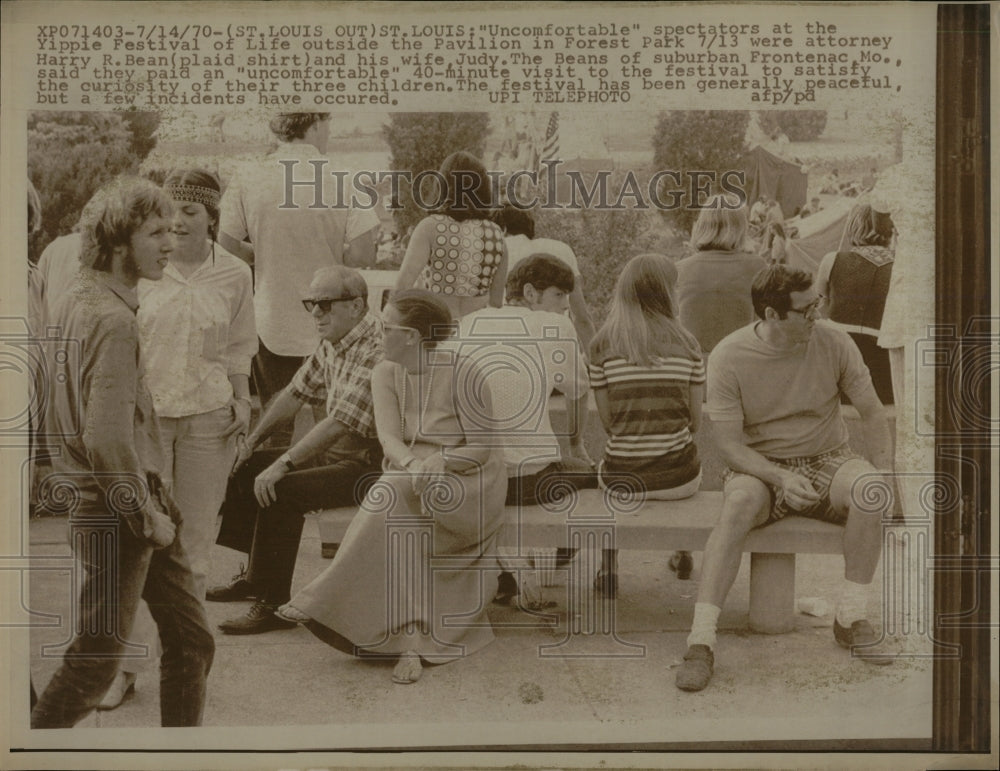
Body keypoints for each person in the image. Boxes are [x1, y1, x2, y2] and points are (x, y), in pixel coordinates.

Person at [31, 176, 214, 727]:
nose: (171, 242)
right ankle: (35, 752)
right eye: (155, 231)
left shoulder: (73, 297)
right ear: (116, 241)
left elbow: (47, 399)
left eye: (174, 229)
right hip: (121, 508)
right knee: (94, 663)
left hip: (128, 497)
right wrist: (145, 516)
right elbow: (107, 439)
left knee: (192, 640)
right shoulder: (112, 321)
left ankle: (181, 759)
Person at [675, 265, 893, 693]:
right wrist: (777, 475)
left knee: (872, 491)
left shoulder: (833, 341)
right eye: (807, 309)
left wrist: (884, 470)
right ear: (772, 315)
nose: (819, 314)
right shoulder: (729, 355)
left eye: (818, 303)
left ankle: (850, 617)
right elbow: (729, 445)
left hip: (829, 457)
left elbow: (871, 410)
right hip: (759, 463)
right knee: (736, 506)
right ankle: (701, 640)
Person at [278, 290, 507, 685]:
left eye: (386, 328)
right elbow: (389, 439)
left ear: (413, 337)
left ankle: (324, 596)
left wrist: (442, 461)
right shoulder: (384, 372)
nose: (379, 334)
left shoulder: (465, 371)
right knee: (395, 494)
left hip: (470, 479)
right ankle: (410, 641)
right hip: (412, 471)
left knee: (392, 493)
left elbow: (483, 448)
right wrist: (416, 463)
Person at [94, 170, 259, 709]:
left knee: (193, 553)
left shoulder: (234, 273)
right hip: (148, 423)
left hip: (209, 421)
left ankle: (184, 665)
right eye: (170, 214)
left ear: (212, 216)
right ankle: (123, 670)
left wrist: (240, 397)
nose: (179, 223)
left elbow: (239, 345)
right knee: (140, 547)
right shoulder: (145, 269)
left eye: (190, 211)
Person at [210, 265, 383, 635]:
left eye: (325, 304)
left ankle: (272, 605)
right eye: (311, 304)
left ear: (356, 305)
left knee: (281, 489)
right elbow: (293, 394)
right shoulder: (337, 339)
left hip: (372, 466)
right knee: (248, 467)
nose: (316, 313)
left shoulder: (376, 348)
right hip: (338, 454)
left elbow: (340, 422)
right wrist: (251, 442)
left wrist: (285, 462)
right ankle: (257, 577)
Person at [219, 112, 379, 432]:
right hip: (334, 321)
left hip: (271, 318)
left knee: (275, 423)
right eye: (328, 126)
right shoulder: (344, 176)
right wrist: (332, 256)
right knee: (330, 425)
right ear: (316, 125)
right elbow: (364, 253)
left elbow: (226, 244)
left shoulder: (248, 175)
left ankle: (270, 480)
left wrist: (262, 255)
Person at [458, 254, 597, 604]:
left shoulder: (469, 322)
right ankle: (547, 565)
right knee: (595, 477)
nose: (566, 307)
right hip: (526, 482)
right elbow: (578, 391)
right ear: (532, 293)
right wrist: (576, 443)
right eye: (559, 296)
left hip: (472, 480)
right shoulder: (555, 327)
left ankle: (507, 575)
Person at [588, 255, 706, 593]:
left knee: (611, 461)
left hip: (620, 482)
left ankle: (608, 567)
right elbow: (694, 422)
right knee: (685, 450)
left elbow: (610, 423)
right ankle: (682, 550)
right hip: (679, 480)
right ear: (668, 293)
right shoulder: (688, 345)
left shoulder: (601, 345)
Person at [393, 151, 507, 319]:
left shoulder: (429, 227)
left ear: (442, 185)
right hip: (476, 329)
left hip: (436, 325)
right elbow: (496, 302)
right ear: (483, 187)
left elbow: (401, 288)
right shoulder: (496, 234)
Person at [814, 201, 896, 405]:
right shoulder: (899, 266)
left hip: (837, 359)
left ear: (854, 226)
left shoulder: (832, 260)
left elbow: (820, 304)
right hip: (882, 361)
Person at [496, 204, 597, 351]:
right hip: (556, 341)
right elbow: (581, 318)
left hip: (509, 344)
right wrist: (596, 364)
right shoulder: (560, 249)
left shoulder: (497, 249)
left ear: (502, 229)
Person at [676, 198, 767, 355]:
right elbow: (766, 326)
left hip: (693, 363)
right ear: (740, 227)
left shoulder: (680, 268)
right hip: (739, 360)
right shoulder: (757, 266)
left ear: (702, 226)